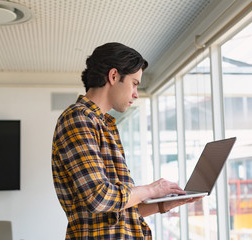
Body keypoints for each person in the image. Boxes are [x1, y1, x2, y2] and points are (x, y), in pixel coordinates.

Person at [52, 42, 202, 239]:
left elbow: (114, 214)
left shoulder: (104, 125)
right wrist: (151, 189)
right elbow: (99, 198)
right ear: (114, 76)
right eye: (134, 83)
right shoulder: (79, 118)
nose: (136, 94)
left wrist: (163, 204)